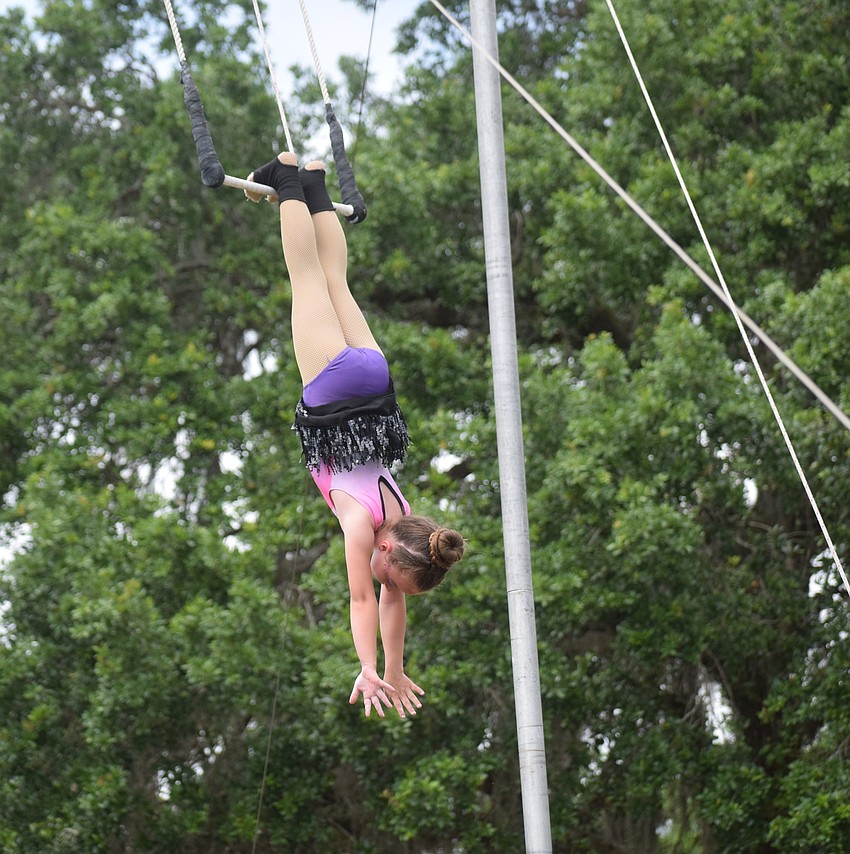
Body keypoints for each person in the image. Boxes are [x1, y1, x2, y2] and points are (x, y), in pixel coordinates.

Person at [245, 152, 466, 719]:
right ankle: (286, 176)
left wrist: (393, 669)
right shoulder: (360, 524)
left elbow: (391, 598)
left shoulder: (405, 513)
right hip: (334, 382)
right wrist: (365, 666)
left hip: (373, 373)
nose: (383, 578)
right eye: (390, 572)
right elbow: (364, 598)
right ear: (387, 550)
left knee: (335, 280)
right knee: (308, 276)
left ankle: (315, 184)